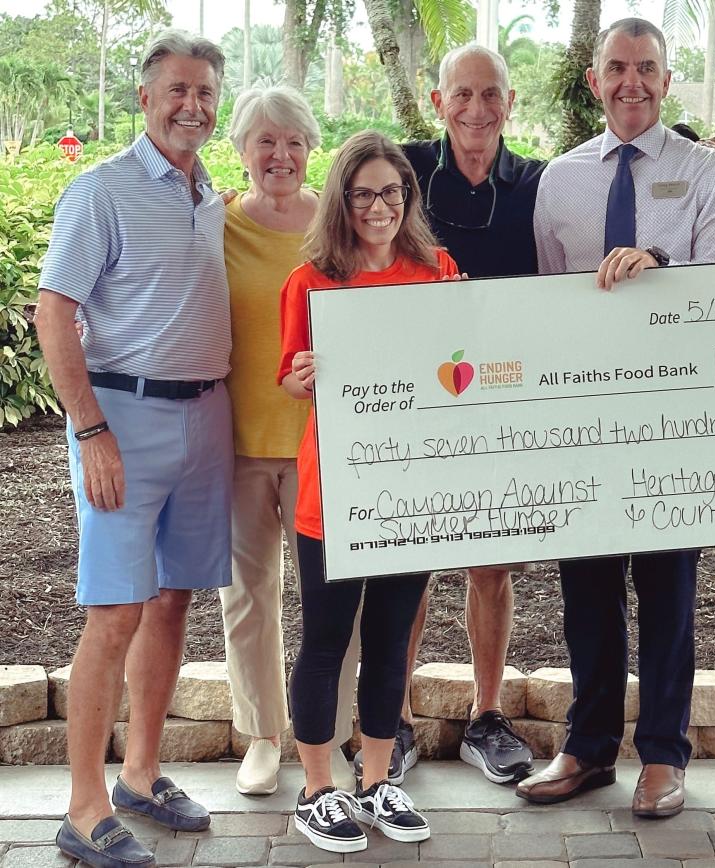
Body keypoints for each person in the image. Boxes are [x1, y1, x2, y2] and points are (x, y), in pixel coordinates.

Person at [518, 17, 715, 817]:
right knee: (585, 589)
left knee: (668, 587)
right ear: (594, 79)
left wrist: (661, 266)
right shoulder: (561, 180)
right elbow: (549, 298)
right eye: (618, 67)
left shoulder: (708, 173)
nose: (632, 83)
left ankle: (663, 756)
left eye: (647, 68)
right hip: (584, 421)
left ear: (668, 79)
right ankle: (587, 748)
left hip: (674, 419)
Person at [34, 30, 230, 868]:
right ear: (145, 99)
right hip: (122, 418)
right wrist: (90, 431)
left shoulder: (209, 192)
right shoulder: (100, 191)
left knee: (173, 600)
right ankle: (82, 809)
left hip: (206, 418)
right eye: (177, 90)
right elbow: (53, 311)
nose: (193, 105)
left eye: (206, 92)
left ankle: (141, 775)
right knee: (114, 612)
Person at [351, 43, 544, 787]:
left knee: (490, 565)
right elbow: (344, 248)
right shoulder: (400, 173)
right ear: (437, 102)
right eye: (461, 94)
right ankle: (390, 722)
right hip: (411, 405)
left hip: (499, 399)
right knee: (408, 568)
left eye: (490, 94)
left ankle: (486, 715)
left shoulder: (536, 183)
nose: (476, 108)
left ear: (510, 102)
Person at [278, 131, 459, 854]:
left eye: (392, 192)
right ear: (341, 201)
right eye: (362, 194)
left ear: (407, 197)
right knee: (325, 642)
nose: (378, 206)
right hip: (335, 493)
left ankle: (377, 781)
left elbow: (464, 360)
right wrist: (303, 378)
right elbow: (289, 377)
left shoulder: (438, 271)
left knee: (390, 642)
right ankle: (318, 790)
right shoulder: (313, 281)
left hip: (413, 491)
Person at [220, 85, 359, 797]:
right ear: (241, 149)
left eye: (294, 141)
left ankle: (326, 737)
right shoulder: (215, 223)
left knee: (334, 600)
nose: (280, 154)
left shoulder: (335, 228)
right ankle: (264, 738)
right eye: (264, 141)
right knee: (249, 596)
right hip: (241, 441)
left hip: (327, 447)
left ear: (312, 149)